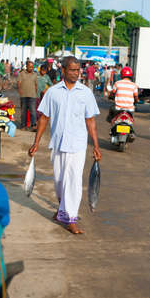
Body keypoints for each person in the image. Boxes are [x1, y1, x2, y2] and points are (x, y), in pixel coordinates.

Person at [28, 56, 101, 235]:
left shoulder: (85, 93)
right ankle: (62, 210)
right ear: (63, 71)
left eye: (78, 70)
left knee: (74, 182)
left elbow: (90, 120)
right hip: (58, 144)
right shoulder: (53, 92)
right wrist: (36, 142)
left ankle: (71, 219)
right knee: (60, 182)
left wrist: (96, 146)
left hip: (78, 145)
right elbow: (44, 118)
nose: (77, 73)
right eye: (73, 70)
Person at [17, 60, 37, 131]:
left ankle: (34, 125)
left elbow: (36, 85)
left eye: (32, 67)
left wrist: (36, 93)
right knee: (23, 112)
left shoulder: (35, 74)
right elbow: (18, 82)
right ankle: (23, 125)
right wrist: (20, 91)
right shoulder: (22, 73)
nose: (31, 68)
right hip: (24, 95)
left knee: (33, 111)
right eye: (30, 67)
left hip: (32, 95)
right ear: (27, 66)